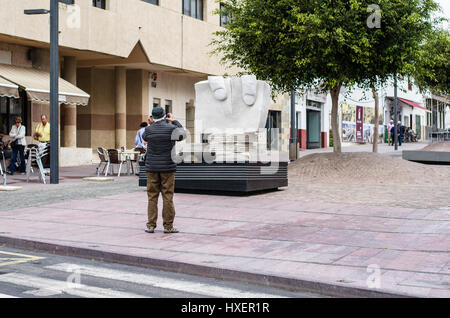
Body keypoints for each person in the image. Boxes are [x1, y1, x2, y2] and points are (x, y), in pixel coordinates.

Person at [143, 107, 185, 234]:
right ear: (165, 115)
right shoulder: (171, 128)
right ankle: (168, 226)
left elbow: (145, 138)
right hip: (168, 167)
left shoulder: (148, 129)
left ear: (152, 117)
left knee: (152, 197)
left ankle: (150, 225)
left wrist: (151, 124)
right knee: (168, 196)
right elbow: (182, 134)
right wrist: (174, 121)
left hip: (152, 168)